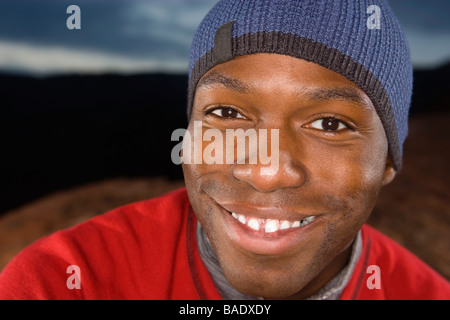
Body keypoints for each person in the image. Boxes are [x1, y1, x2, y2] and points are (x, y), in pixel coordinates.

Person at [0, 0, 449, 300]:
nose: (267, 171)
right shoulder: (63, 283)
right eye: (229, 114)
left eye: (330, 124)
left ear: (389, 160)